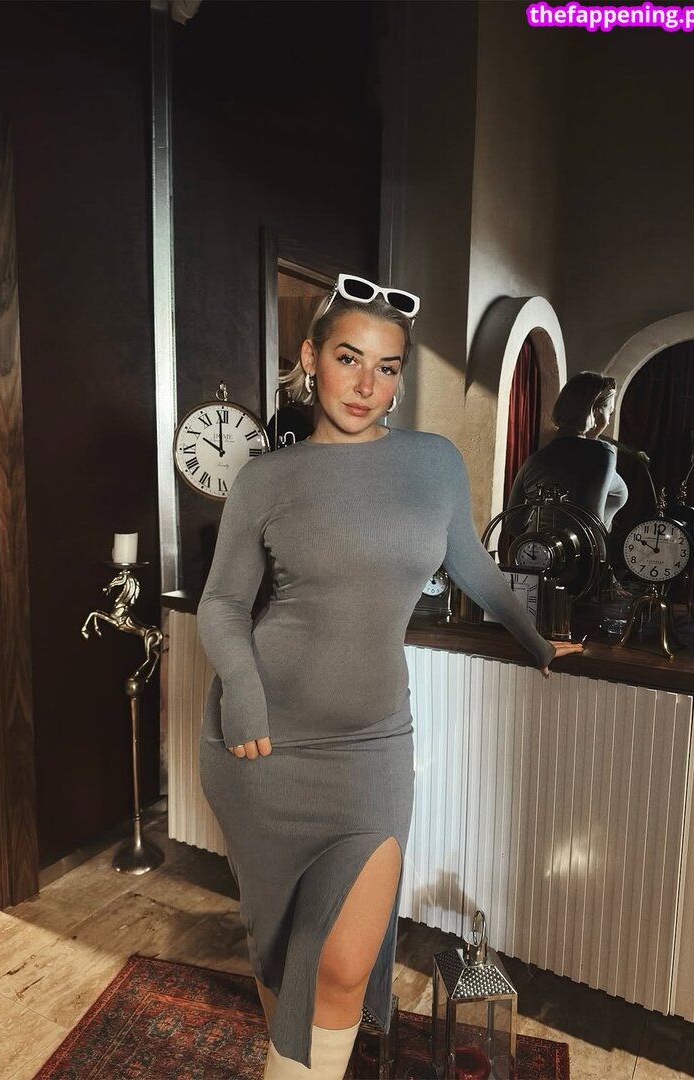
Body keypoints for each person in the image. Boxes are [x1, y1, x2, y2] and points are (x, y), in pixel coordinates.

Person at [196, 275, 582, 1079]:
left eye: (388, 366)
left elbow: (473, 564)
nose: (367, 383)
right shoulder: (267, 478)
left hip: (371, 747)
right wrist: (244, 696)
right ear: (311, 358)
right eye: (349, 358)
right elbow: (224, 605)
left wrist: (535, 641)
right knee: (282, 948)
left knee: (341, 963)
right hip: (263, 746)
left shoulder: (433, 463)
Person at [506, 371, 628, 533]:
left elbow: (512, 524)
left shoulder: (535, 460)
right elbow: (593, 522)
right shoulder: (602, 453)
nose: (608, 421)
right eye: (609, 412)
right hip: (581, 547)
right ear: (596, 411)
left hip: (535, 545)